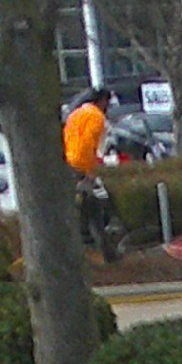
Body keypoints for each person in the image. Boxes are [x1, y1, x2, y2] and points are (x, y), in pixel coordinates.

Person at [64, 93, 118, 258]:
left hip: (69, 164)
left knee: (86, 207)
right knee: (94, 207)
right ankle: (102, 250)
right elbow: (89, 144)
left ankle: (102, 249)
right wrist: (91, 171)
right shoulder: (96, 117)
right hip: (83, 167)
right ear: (102, 101)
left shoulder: (75, 114)